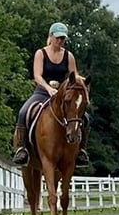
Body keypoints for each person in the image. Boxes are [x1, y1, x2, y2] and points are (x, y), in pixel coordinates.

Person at [12, 22, 90, 167]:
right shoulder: (41, 53)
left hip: (62, 96)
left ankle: (81, 151)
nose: (60, 41)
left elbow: (75, 77)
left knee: (85, 117)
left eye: (63, 39)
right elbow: (37, 76)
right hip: (42, 92)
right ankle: (22, 149)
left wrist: (83, 83)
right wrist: (48, 88)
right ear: (51, 36)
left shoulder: (68, 56)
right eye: (58, 38)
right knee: (23, 112)